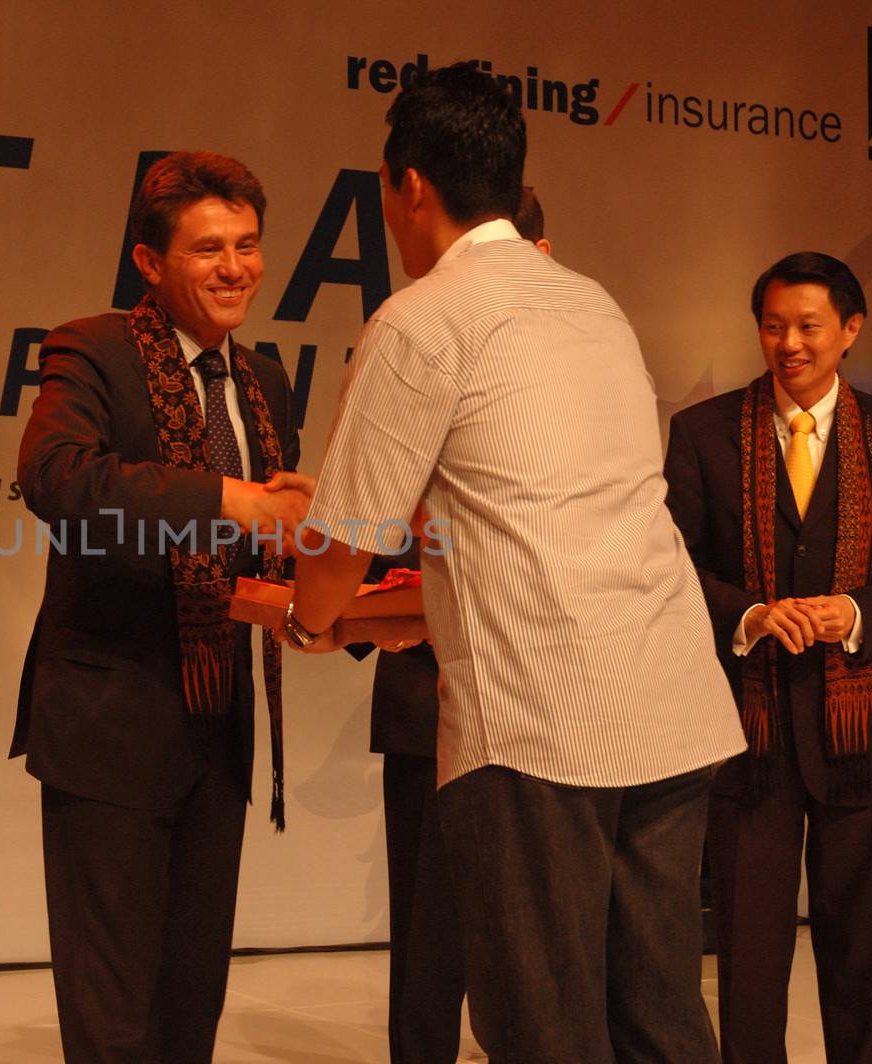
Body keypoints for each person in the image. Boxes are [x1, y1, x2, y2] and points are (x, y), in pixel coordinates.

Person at [280, 64, 746, 1062]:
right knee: (658, 1014)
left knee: (541, 1024)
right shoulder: (591, 304)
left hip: (538, 720)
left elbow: (341, 540)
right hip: (668, 698)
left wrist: (308, 619)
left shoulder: (419, 319)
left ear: (410, 187)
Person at [12, 150, 308, 1064]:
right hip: (109, 722)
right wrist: (233, 498)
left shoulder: (263, 381)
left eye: (249, 245)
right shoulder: (91, 348)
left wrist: (321, 583)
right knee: (113, 1017)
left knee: (191, 1006)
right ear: (149, 262)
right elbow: (57, 479)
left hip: (219, 728)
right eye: (208, 248)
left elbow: (267, 547)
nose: (235, 268)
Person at [663, 252, 872, 1064]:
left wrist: (856, 612)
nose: (788, 343)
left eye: (807, 326)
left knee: (867, 953)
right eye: (772, 326)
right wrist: (751, 615)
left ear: (850, 330)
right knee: (749, 957)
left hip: (861, 728)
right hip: (745, 730)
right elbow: (673, 567)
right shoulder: (703, 433)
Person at [371, 184, 551, 1064]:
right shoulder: (408, 348)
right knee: (429, 936)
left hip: (552, 709)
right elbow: (362, 525)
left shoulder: (578, 373)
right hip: (427, 692)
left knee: (547, 937)